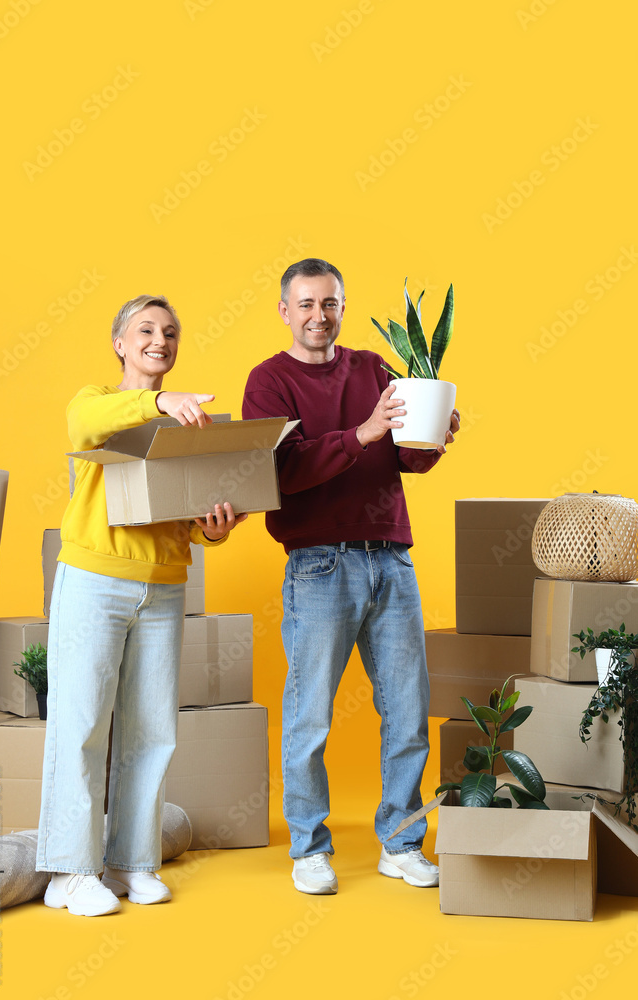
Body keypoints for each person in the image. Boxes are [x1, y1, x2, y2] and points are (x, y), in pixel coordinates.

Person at [242, 259, 459, 895]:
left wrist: (434, 436)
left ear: (342, 305)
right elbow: (282, 473)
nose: (319, 316)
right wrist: (363, 431)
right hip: (319, 564)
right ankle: (309, 848)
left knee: (408, 710)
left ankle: (401, 841)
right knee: (309, 716)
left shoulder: (372, 367)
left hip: (390, 555)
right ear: (285, 311)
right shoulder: (268, 380)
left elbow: (407, 457)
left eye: (330, 303)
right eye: (306, 304)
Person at [36, 294, 246, 916]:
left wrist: (214, 527)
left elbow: (191, 514)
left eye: (171, 332)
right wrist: (159, 402)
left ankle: (131, 862)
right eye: (146, 329)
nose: (161, 340)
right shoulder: (95, 403)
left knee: (152, 730)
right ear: (120, 344)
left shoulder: (189, 428)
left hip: (164, 583)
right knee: (80, 724)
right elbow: (84, 427)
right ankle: (69, 872)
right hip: (95, 581)